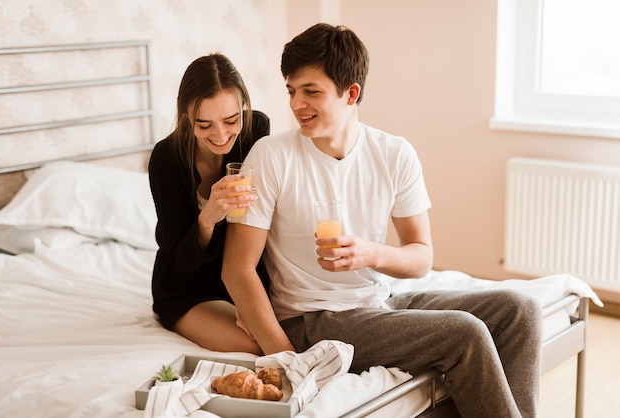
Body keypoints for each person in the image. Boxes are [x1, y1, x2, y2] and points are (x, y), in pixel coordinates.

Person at [221, 23, 543, 417]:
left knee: (520, 310)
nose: (296, 104)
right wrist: (289, 360)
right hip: (314, 319)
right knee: (466, 333)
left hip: (378, 302)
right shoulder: (271, 157)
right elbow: (237, 270)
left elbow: (421, 257)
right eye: (292, 90)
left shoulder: (393, 154)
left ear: (351, 92)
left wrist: (370, 254)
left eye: (311, 91)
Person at [148, 53, 270, 355]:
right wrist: (208, 218)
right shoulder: (166, 160)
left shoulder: (255, 131)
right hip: (187, 287)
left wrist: (246, 293)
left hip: (243, 273)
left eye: (231, 121)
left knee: (288, 330)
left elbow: (259, 220)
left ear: (243, 107)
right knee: (253, 346)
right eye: (205, 126)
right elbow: (179, 258)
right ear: (188, 117)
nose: (220, 135)